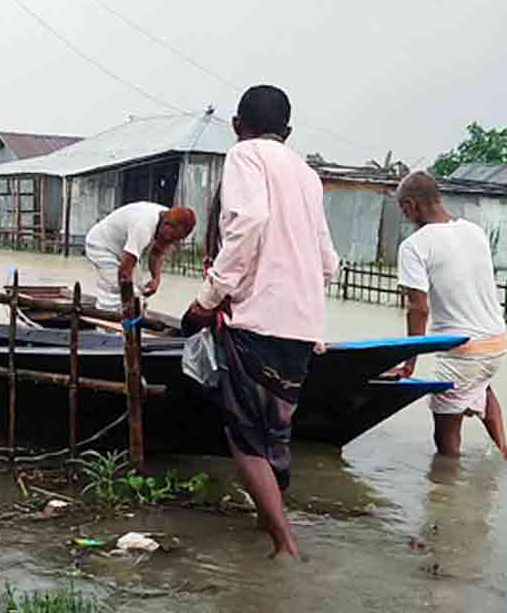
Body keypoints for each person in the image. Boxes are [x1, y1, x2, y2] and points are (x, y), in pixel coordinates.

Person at [183, 84, 339, 560]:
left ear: (236, 126)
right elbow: (328, 260)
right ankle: (264, 523)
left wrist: (210, 297)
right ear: (287, 132)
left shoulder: (245, 156)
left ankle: (284, 544)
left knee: (245, 437)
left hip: (256, 320)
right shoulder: (308, 176)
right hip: (303, 325)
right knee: (277, 430)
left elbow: (248, 221)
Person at [393, 171, 507, 461]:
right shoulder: (475, 231)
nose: (405, 217)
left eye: (403, 210)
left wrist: (409, 364)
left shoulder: (414, 246)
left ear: (410, 205)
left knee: (445, 444)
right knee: (481, 383)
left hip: (463, 353)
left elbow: (418, 308)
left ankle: (448, 493)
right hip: (497, 344)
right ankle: (505, 457)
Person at [84, 202, 196, 312]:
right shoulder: (143, 226)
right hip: (100, 245)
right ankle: (107, 325)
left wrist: (155, 279)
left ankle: (135, 320)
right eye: (171, 237)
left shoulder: (169, 219)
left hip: (123, 249)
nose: (171, 241)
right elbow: (123, 273)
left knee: (139, 288)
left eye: (175, 239)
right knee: (114, 290)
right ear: (166, 224)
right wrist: (128, 301)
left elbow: (157, 253)